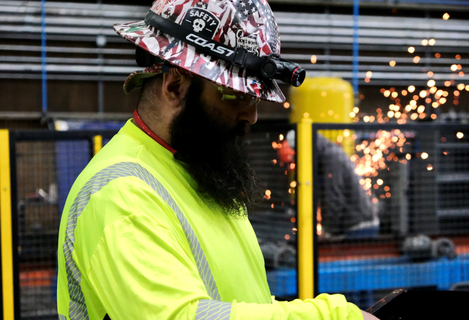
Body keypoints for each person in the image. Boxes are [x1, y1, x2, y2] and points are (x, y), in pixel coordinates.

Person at [56, 1, 378, 319]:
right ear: (175, 87)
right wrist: (334, 316)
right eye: (236, 95)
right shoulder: (120, 195)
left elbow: (248, 305)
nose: (251, 116)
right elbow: (182, 316)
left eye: (255, 99)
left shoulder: (201, 176)